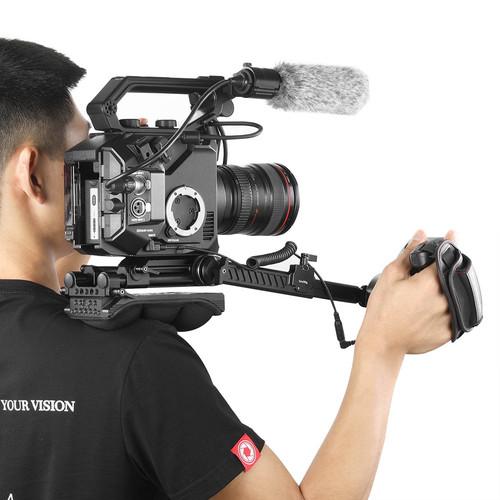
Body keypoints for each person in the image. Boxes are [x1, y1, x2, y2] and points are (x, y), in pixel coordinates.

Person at [0, 38, 453, 500]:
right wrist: (382, 348)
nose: (110, 165)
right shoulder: (135, 363)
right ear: (31, 174)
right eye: (88, 154)